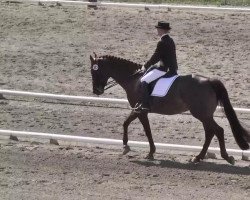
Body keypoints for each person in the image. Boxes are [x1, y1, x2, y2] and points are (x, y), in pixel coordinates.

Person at [134, 21, 178, 113]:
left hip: (164, 69)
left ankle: (145, 105)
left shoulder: (162, 42)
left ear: (161, 30)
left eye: (158, 29)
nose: (157, 30)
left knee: (144, 81)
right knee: (152, 69)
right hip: (172, 67)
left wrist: (145, 66)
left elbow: (155, 57)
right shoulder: (170, 40)